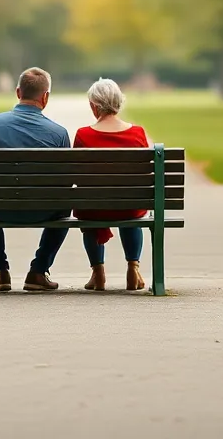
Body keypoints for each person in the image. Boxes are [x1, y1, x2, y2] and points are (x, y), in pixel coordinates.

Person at [0, 67, 70, 292]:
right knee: (65, 206)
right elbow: (65, 183)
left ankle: (0, 272)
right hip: (42, 210)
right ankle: (38, 271)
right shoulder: (59, 133)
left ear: (18, 92)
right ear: (45, 97)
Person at [72, 78, 149, 292]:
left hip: (94, 210)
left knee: (90, 209)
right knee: (131, 211)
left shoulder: (83, 135)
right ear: (119, 103)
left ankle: (98, 274)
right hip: (130, 206)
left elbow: (76, 176)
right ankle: (133, 269)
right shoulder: (138, 133)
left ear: (94, 106)